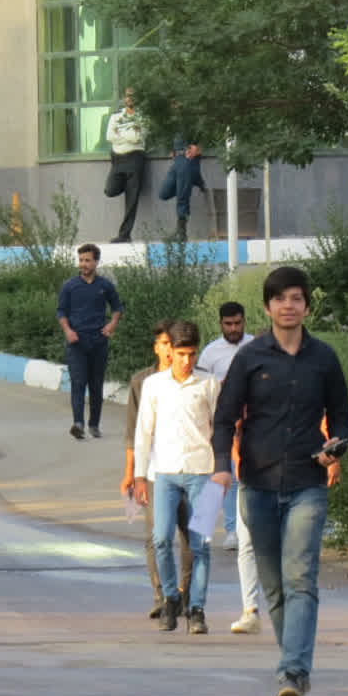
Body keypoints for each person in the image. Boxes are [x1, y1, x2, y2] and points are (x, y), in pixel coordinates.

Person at [213, 265, 348, 696]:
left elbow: (343, 416)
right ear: (268, 306)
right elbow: (224, 418)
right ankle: (291, 657)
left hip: (308, 481)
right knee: (273, 585)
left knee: (301, 579)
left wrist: (337, 447)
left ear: (307, 305)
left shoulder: (324, 358)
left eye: (296, 298)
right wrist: (222, 465)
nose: (288, 306)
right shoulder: (251, 357)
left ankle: (293, 670)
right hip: (257, 483)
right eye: (280, 298)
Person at [133, 321, 226, 635]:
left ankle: (196, 608)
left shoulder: (209, 384)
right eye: (181, 353)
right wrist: (139, 477)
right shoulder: (154, 385)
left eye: (192, 354)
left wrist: (224, 471)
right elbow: (143, 432)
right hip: (164, 475)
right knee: (160, 538)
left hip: (204, 475)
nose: (186, 361)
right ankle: (171, 598)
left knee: (201, 544)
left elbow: (223, 430)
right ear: (168, 351)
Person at [122, 321, 192, 620]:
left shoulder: (198, 381)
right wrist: (131, 473)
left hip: (191, 470)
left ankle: (187, 597)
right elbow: (133, 432)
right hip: (153, 471)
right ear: (157, 348)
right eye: (162, 344)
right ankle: (162, 595)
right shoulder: (142, 382)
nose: (167, 351)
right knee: (155, 535)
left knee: (191, 534)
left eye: (171, 345)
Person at [197, 301, 256, 573]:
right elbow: (202, 389)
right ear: (220, 324)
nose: (234, 329)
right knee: (224, 474)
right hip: (221, 422)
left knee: (248, 474)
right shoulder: (210, 354)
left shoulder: (255, 347)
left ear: (244, 322)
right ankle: (224, 529)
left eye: (238, 323)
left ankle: (248, 527)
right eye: (228, 324)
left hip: (253, 420)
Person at [57, 243, 123, 439]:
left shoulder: (105, 286)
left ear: (96, 262)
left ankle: (94, 424)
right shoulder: (69, 286)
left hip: (99, 342)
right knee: (78, 383)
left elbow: (117, 307)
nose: (83, 264)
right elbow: (61, 311)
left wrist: (112, 324)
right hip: (76, 343)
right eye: (81, 260)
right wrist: (68, 330)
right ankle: (78, 423)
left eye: (87, 260)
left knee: (96, 384)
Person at [105, 87, 147, 243]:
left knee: (132, 199)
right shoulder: (116, 116)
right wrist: (126, 135)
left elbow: (136, 138)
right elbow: (109, 136)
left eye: (133, 96)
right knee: (110, 190)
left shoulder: (142, 117)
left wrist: (119, 134)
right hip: (118, 159)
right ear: (124, 99)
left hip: (135, 158)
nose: (130, 99)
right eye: (128, 96)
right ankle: (127, 183)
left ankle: (124, 235)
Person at [157, 140, 207, 241]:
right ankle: (194, 181)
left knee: (182, 199)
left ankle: (181, 233)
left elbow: (203, 133)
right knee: (163, 194)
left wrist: (196, 148)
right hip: (178, 160)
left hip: (188, 159)